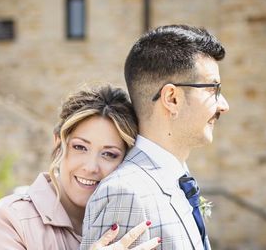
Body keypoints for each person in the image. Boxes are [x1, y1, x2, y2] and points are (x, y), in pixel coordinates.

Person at [80, 25, 230, 250]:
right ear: (172, 98)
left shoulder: (177, 181)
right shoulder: (125, 193)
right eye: (213, 89)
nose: (223, 105)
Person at [0, 84, 162, 250]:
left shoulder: (136, 223)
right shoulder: (7, 220)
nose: (91, 167)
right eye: (80, 147)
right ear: (58, 144)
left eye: (109, 154)